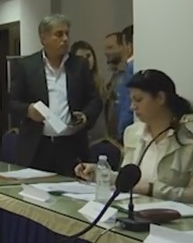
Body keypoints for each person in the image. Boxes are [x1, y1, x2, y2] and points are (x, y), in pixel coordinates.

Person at [75, 69, 193, 203]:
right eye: (131, 100)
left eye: (138, 100)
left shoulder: (188, 139)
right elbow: (128, 180)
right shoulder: (132, 133)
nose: (132, 107)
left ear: (160, 98)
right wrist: (99, 173)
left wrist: (152, 189)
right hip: (133, 208)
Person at [9, 14, 101, 175]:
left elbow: (95, 100)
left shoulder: (79, 65)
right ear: (43, 38)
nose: (65, 39)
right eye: (58, 34)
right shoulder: (27, 66)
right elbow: (12, 102)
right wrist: (28, 110)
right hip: (37, 146)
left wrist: (86, 116)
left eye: (67, 34)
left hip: (71, 146)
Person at [70, 40, 105, 141]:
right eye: (81, 57)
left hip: (102, 135)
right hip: (82, 134)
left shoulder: (100, 82)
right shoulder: (73, 84)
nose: (86, 61)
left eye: (88, 56)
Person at [116, 25, 135, 139]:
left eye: (122, 44)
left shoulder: (131, 69)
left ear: (129, 46)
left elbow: (128, 101)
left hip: (129, 128)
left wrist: (122, 129)